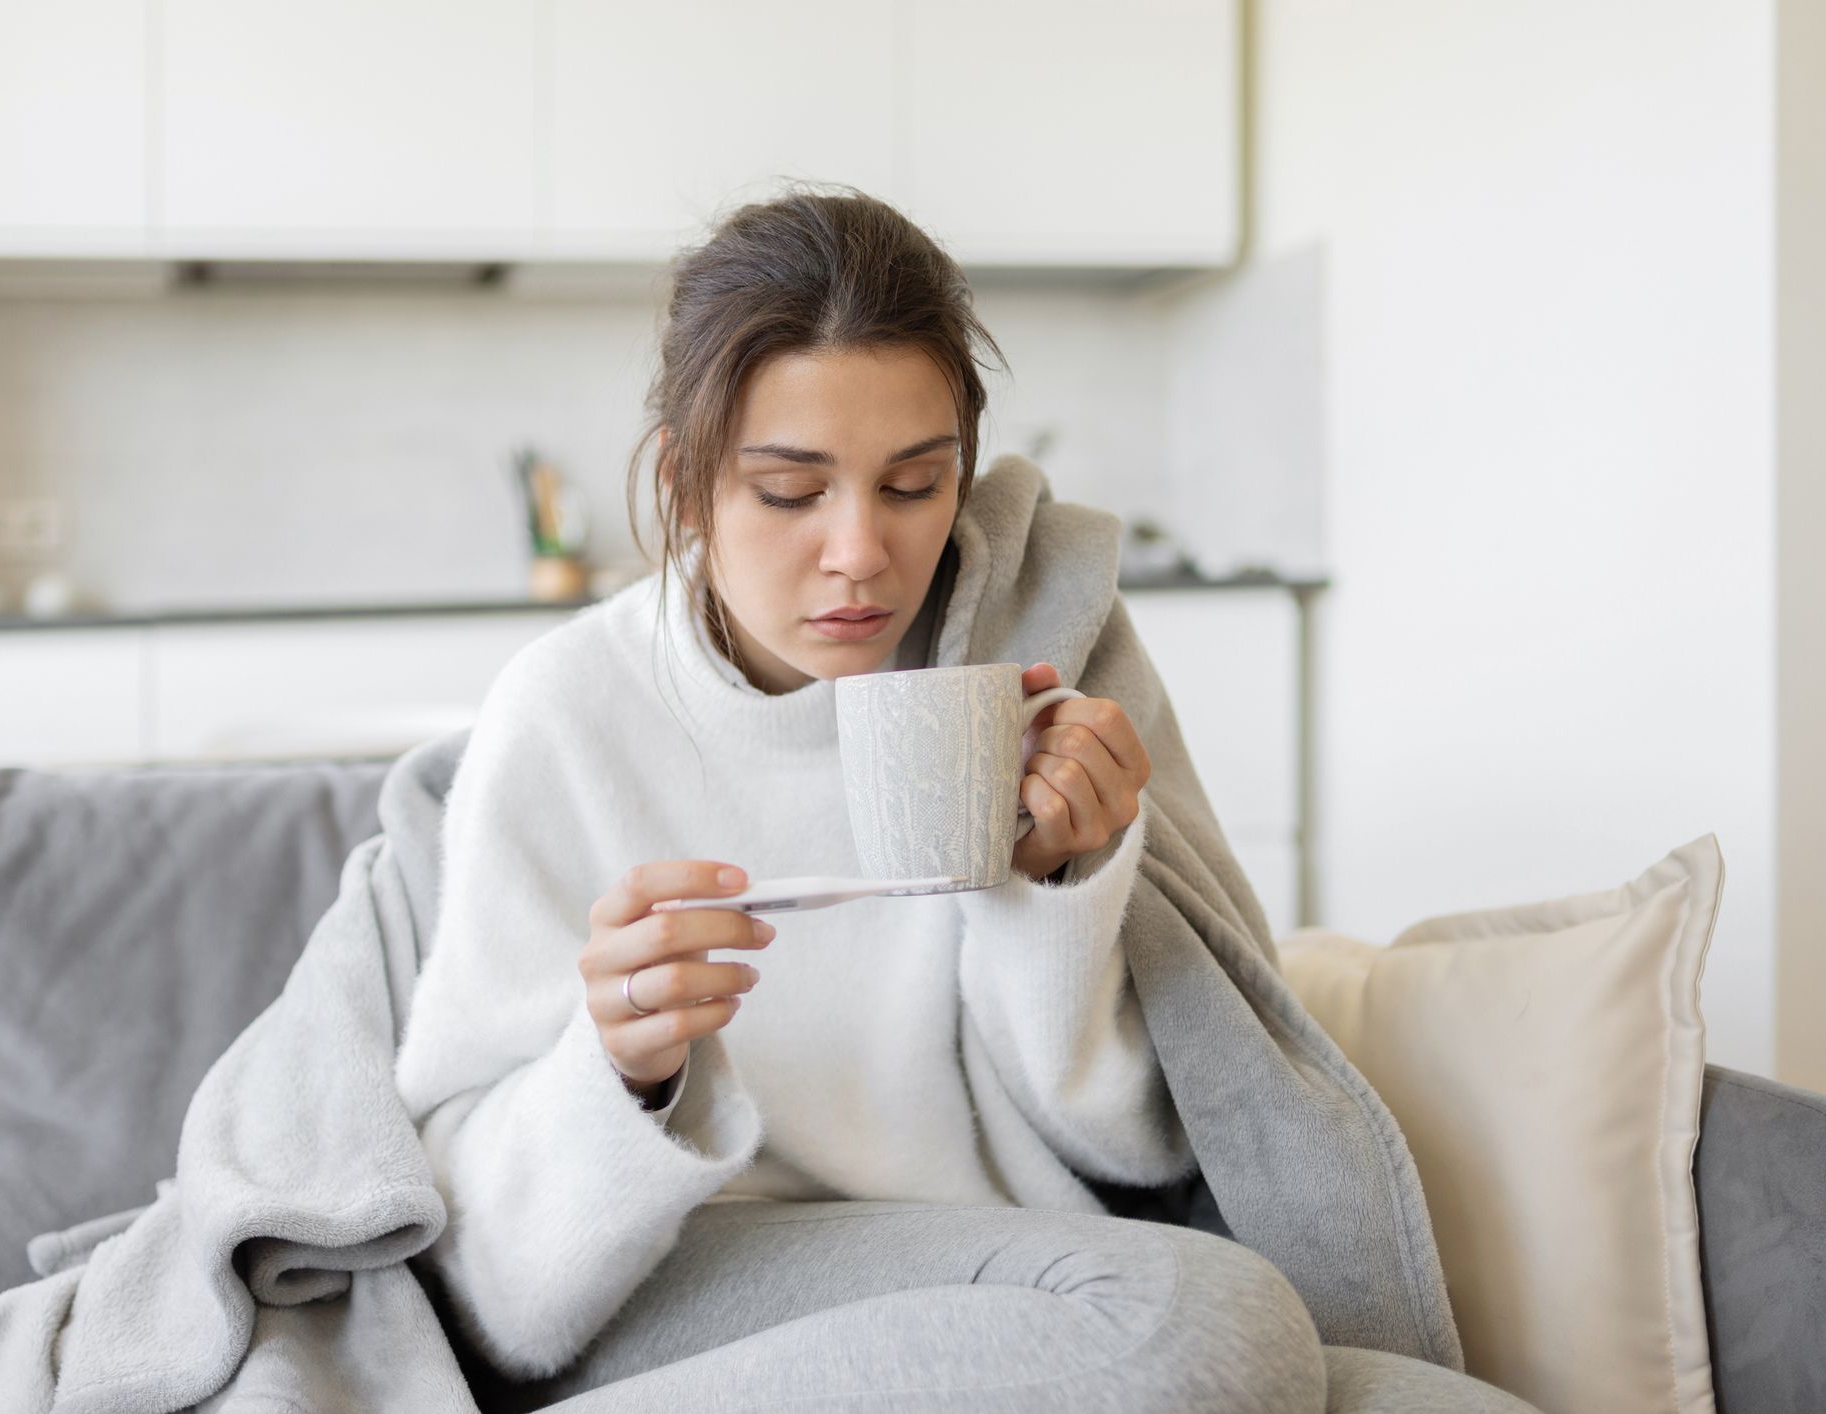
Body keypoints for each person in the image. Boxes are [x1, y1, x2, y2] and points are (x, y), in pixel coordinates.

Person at [392, 186, 1537, 1413]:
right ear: (684, 480)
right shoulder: (567, 716)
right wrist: (621, 1070)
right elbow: (492, 1292)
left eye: (914, 485)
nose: (859, 555)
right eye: (790, 491)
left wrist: (1059, 895)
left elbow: (1148, 1150)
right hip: (685, 1283)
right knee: (1208, 1319)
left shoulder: (1049, 654)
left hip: (1018, 1265)